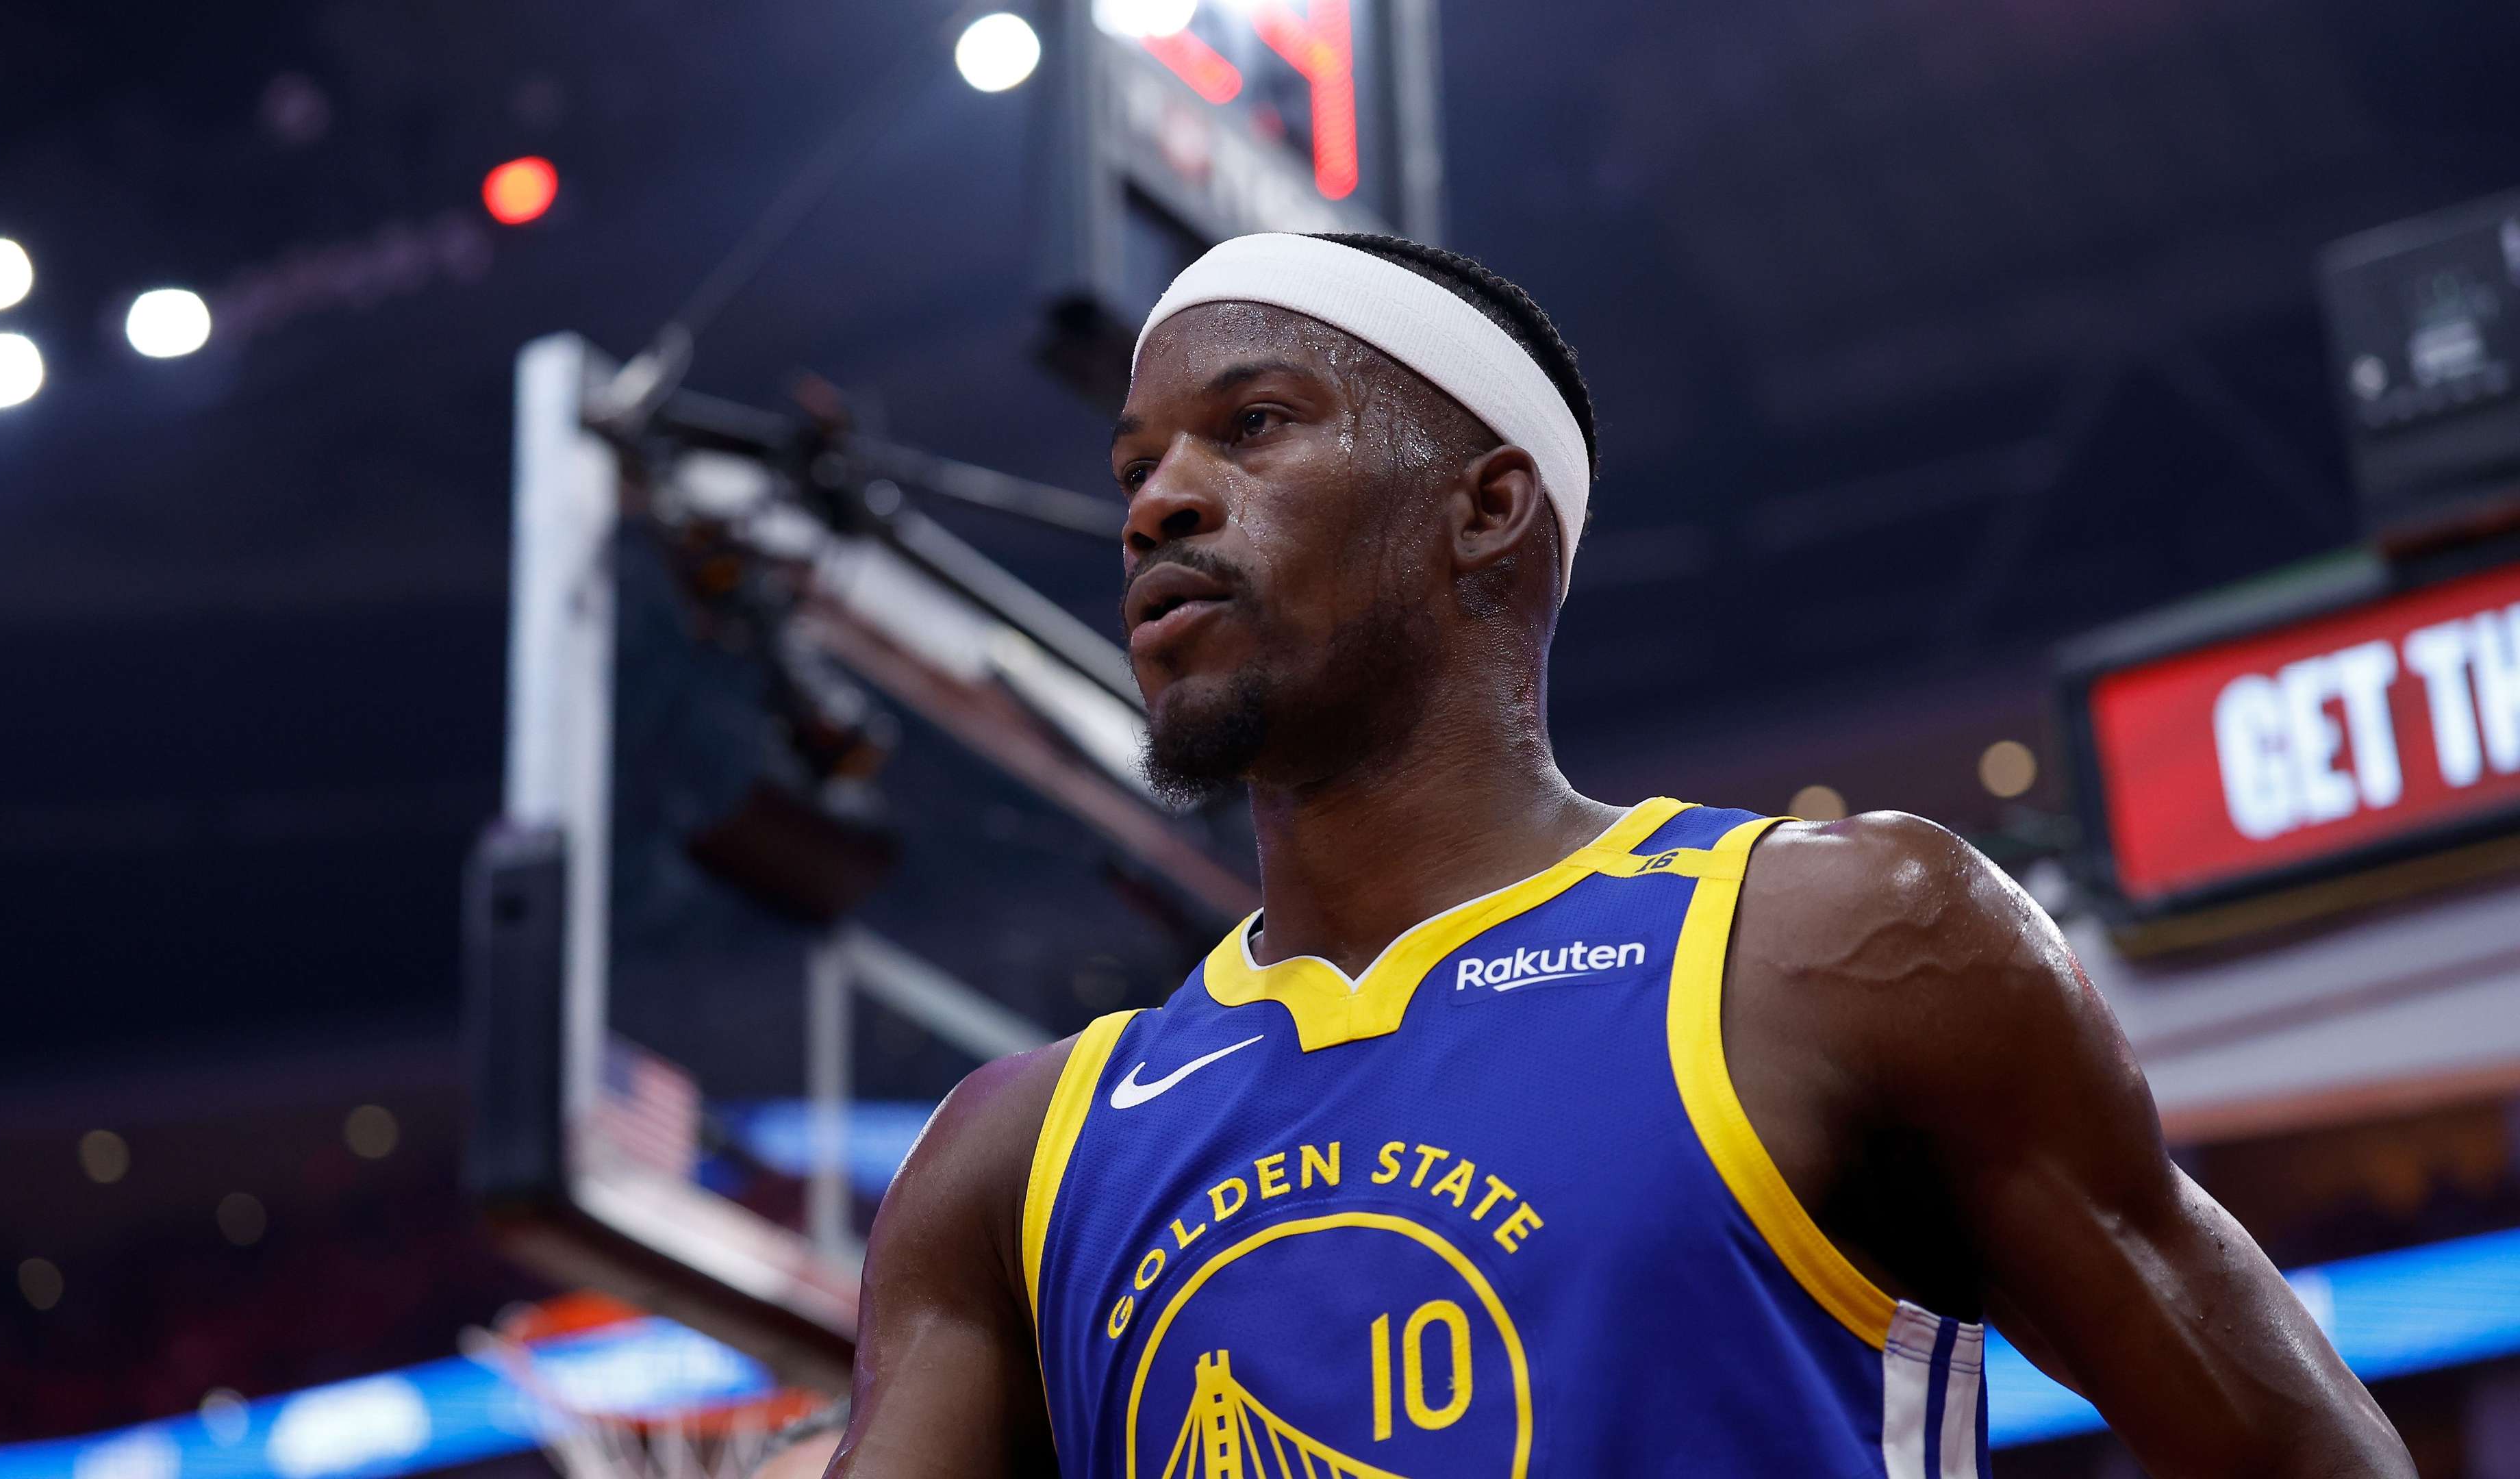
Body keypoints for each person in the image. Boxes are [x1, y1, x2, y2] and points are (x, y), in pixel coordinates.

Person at [821, 233, 2411, 1476]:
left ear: (1488, 508)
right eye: (1135, 468)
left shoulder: (1841, 948)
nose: (1159, 502)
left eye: (1251, 427)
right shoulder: (1014, 1158)